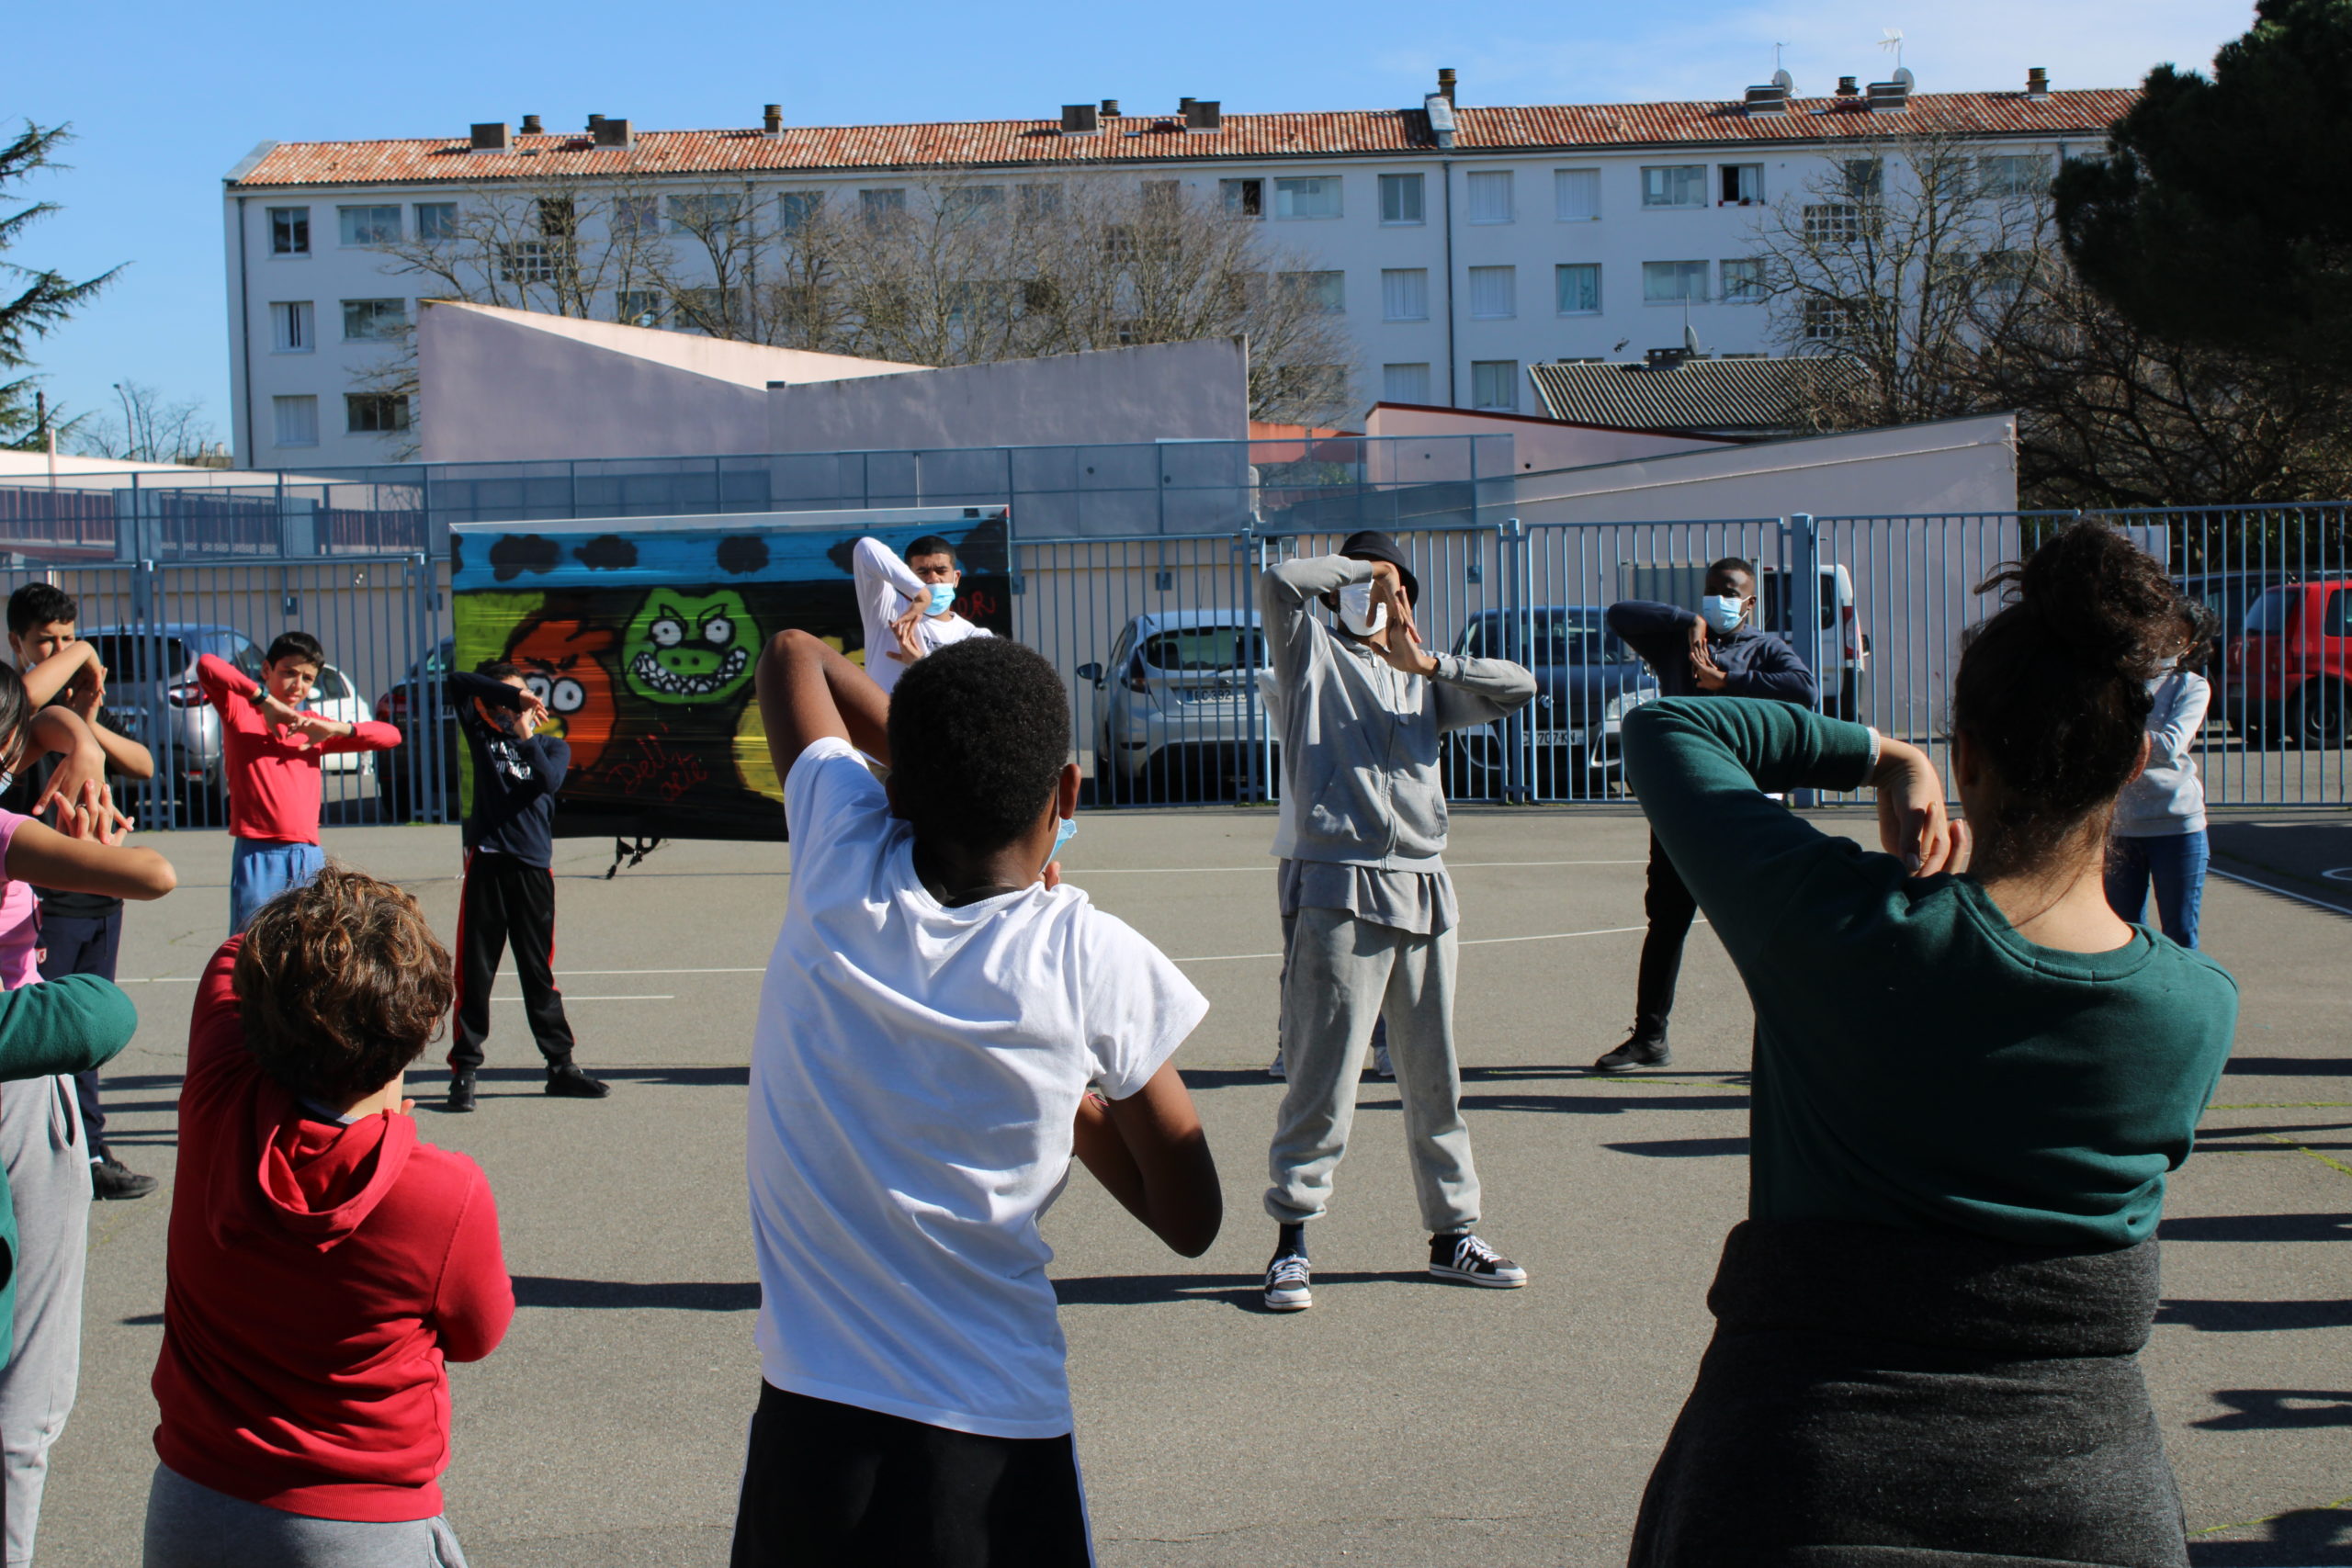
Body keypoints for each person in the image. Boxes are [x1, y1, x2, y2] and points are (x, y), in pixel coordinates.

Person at [1620, 523, 2237, 1567]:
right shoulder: (2192, 1007)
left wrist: (1882, 751)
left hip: (1790, 1478)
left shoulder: (1845, 929)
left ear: (1967, 753)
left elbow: (1672, 731)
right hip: (2087, 1494)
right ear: (2135, 761)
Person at [734, 630, 1220, 1567]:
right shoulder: (1090, 956)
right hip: (994, 1438)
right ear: (1066, 797)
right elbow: (1190, 1216)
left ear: (897, 792)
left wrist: (919, 768)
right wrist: (1069, 1101)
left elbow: (793, 652)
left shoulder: (838, 856)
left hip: (809, 1434)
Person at [144, 865, 513, 1567]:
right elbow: (477, 1332)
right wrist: (393, 1130)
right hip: (360, 1523)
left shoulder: (219, 1095)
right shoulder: (440, 1191)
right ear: (417, 1022)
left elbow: (233, 952)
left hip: (194, 1499)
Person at [1259, 530, 1537, 1313]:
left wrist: (1432, 661)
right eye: (1370, 587)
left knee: (1433, 1075)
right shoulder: (1311, 656)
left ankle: (1455, 1234)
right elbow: (1280, 579)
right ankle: (1292, 1242)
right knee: (1323, 1071)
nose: (1383, 601)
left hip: (1423, 883)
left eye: (1399, 588)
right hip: (1338, 885)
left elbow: (1521, 687)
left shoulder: (1423, 678)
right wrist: (1361, 573)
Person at [0, 659, 175, 1568]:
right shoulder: (8, 832)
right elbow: (154, 875)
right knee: (26, 1388)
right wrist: (88, 827)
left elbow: (70, 701)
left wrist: (78, 742)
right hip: (18, 1084)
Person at [1598, 558, 1815, 1071]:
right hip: (1680, 803)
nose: (1721, 599)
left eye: (1731, 592)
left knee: (1764, 930)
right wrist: (1685, 622)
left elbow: (1802, 690)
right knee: (1667, 920)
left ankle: (1783, 1049)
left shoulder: (1767, 650)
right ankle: (1650, 1037)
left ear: (1750, 601)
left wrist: (1728, 680)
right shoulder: (1680, 642)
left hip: (1743, 806)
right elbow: (1619, 614)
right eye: (1713, 591)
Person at [3, 582, 160, 1201]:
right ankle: (65, 1151)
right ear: (17, 644)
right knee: (43, 1030)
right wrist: (86, 651)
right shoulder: (19, 714)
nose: (62, 649)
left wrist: (91, 736)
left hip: (97, 896)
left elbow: (143, 763)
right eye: (48, 639)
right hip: (41, 902)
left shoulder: (75, 710)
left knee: (84, 1027)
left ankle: (88, 1146)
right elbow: (36, 707)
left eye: (68, 637)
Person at [442, 661, 607, 1112]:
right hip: (488, 867)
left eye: (525, 694)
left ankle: (561, 1068)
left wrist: (523, 726)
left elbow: (547, 782)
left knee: (539, 973)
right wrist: (509, 700)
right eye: (509, 697)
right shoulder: (482, 733)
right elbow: (457, 681)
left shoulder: (552, 746)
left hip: (533, 871)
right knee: (475, 974)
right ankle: (466, 1071)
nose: (522, 703)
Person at [197, 632, 401, 933]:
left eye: (307, 678)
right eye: (288, 673)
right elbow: (207, 664)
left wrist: (333, 728)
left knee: (309, 944)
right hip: (259, 851)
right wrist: (262, 699)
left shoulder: (311, 726)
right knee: (251, 941)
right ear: (267, 671)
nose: (298, 684)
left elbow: (390, 736)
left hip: (307, 853)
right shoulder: (240, 711)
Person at [1259, 673, 1390, 1083]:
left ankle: (1384, 1047)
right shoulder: (1298, 697)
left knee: (1382, 953)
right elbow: (1272, 678)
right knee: (1298, 957)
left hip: (1370, 849)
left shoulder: (1383, 698)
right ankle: (1291, 1047)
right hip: (1302, 848)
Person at [2106, 600, 2218, 948]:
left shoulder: (2192, 686)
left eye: (2177, 635)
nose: (2165, 638)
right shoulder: (2120, 679)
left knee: (2181, 933)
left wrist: (2115, 738)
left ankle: (2185, 1000)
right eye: (2162, 627)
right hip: (2122, 827)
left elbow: (2169, 745)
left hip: (2176, 825)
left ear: (2190, 646)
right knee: (2124, 934)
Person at [851, 534, 991, 695]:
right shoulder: (886, 608)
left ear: (956, 578)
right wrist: (921, 594)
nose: (933, 579)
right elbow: (865, 547)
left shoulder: (976, 637)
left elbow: (979, 694)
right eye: (923, 572)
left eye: (941, 571)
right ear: (907, 576)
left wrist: (922, 664)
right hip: (881, 720)